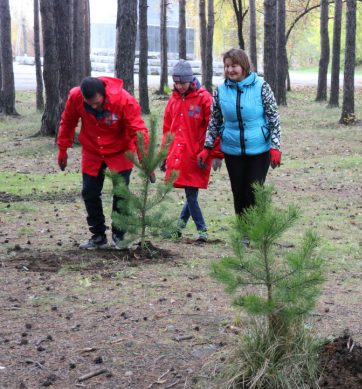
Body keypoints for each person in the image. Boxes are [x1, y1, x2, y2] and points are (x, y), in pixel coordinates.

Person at [57, 76, 149, 250]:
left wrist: (145, 160)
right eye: (89, 103)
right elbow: (68, 122)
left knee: (121, 193)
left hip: (120, 151)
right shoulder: (75, 96)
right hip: (92, 151)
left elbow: (138, 129)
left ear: (104, 94)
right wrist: (63, 149)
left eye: (97, 103)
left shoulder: (124, 100)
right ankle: (98, 235)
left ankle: (119, 235)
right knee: (89, 192)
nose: (94, 107)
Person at [203, 48, 282, 242]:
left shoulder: (261, 86)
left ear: (244, 66)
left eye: (234, 66)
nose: (230, 70)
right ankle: (244, 233)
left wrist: (275, 146)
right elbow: (214, 120)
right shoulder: (220, 90)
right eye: (227, 66)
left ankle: (258, 231)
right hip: (232, 149)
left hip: (259, 149)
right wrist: (207, 147)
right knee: (238, 192)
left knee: (253, 191)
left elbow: (273, 118)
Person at [161, 60, 222, 242]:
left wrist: (216, 153)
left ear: (191, 80)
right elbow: (167, 130)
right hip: (178, 155)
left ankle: (202, 231)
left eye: (183, 83)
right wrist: (165, 154)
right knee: (191, 194)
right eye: (176, 83)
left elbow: (215, 126)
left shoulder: (204, 99)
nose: (179, 87)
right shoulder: (173, 100)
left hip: (198, 155)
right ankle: (179, 228)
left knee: (191, 194)